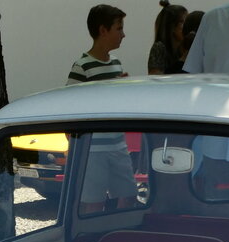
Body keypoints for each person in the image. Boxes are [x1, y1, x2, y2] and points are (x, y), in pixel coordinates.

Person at [67, 5, 139, 213]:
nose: (123, 35)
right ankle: (92, 240)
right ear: (103, 30)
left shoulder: (116, 63)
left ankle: (119, 234)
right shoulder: (83, 66)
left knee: (128, 196)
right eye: (119, 28)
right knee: (93, 202)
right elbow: (71, 103)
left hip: (117, 144)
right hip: (94, 148)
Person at [149, 2, 188, 74]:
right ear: (171, 26)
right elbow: (155, 78)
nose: (187, 26)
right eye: (182, 22)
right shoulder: (159, 47)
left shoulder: (182, 49)